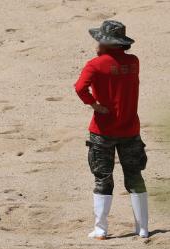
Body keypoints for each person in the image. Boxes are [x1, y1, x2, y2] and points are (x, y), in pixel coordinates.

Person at [74, 20, 149, 239]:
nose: (96, 43)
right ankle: (142, 228)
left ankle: (101, 229)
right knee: (135, 176)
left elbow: (80, 88)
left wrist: (94, 104)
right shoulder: (134, 62)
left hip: (102, 129)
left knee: (102, 178)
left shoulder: (95, 65)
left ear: (108, 43)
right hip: (130, 129)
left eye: (99, 40)